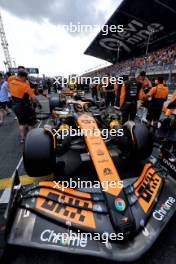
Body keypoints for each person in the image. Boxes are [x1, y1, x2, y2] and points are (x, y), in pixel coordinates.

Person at [8, 70, 41, 143]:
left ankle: (22, 139)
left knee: (21, 123)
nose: (26, 80)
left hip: (15, 106)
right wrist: (38, 104)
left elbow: (11, 79)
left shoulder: (11, 82)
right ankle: (31, 138)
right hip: (24, 106)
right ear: (22, 77)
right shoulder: (25, 86)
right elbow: (34, 98)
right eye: (25, 78)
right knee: (31, 123)